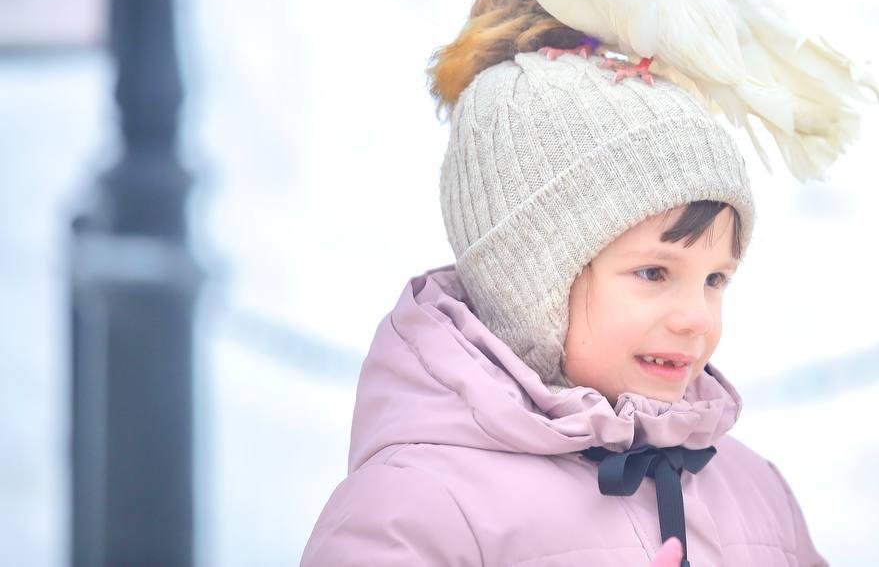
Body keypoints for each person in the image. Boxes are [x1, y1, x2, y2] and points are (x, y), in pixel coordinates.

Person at [300, 47, 826, 566]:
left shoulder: (757, 495)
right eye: (653, 273)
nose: (698, 319)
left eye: (714, 279)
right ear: (529, 285)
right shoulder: (414, 510)